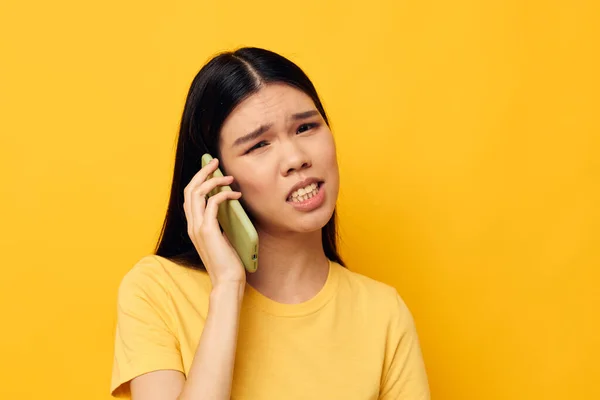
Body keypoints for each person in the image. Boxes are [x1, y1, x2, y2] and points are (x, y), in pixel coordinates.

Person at [110, 46, 430, 400]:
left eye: (306, 127)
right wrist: (228, 286)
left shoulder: (383, 313)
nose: (295, 158)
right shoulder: (156, 290)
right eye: (259, 145)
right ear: (213, 175)